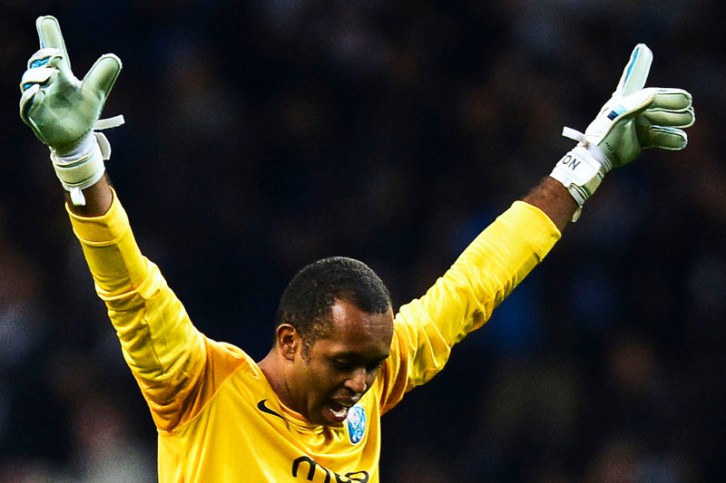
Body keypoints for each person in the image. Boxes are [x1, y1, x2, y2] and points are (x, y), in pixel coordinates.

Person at [19, 15, 694, 483]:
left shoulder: (368, 381)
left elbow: (478, 281)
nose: (362, 383)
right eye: (345, 363)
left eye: (371, 365)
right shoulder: (200, 387)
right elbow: (129, 287)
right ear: (290, 341)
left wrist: (586, 164)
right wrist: (78, 161)